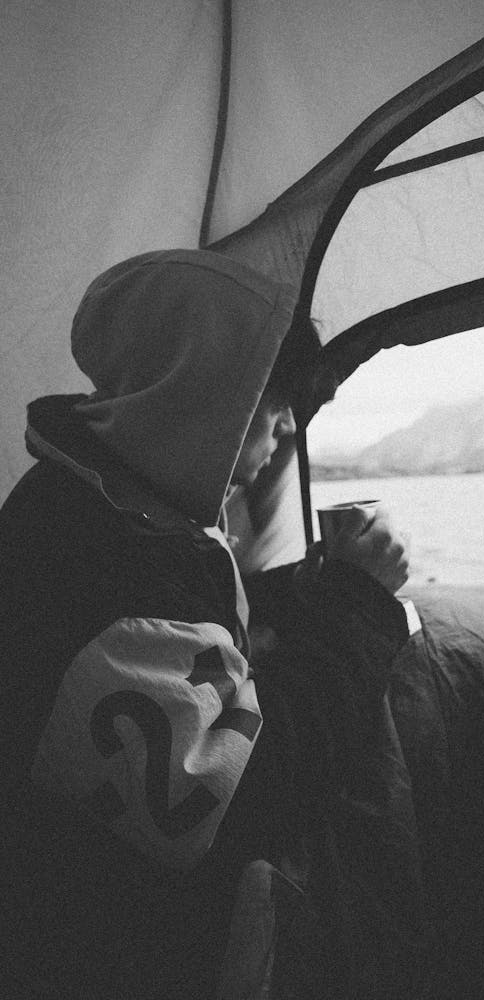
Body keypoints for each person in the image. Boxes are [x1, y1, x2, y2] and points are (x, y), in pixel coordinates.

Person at [0, 248, 421, 1000]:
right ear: (198, 391)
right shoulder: (106, 559)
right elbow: (246, 802)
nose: (289, 424)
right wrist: (360, 604)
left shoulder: (106, 506)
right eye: (271, 395)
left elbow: (195, 654)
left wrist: (304, 608)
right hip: (111, 961)